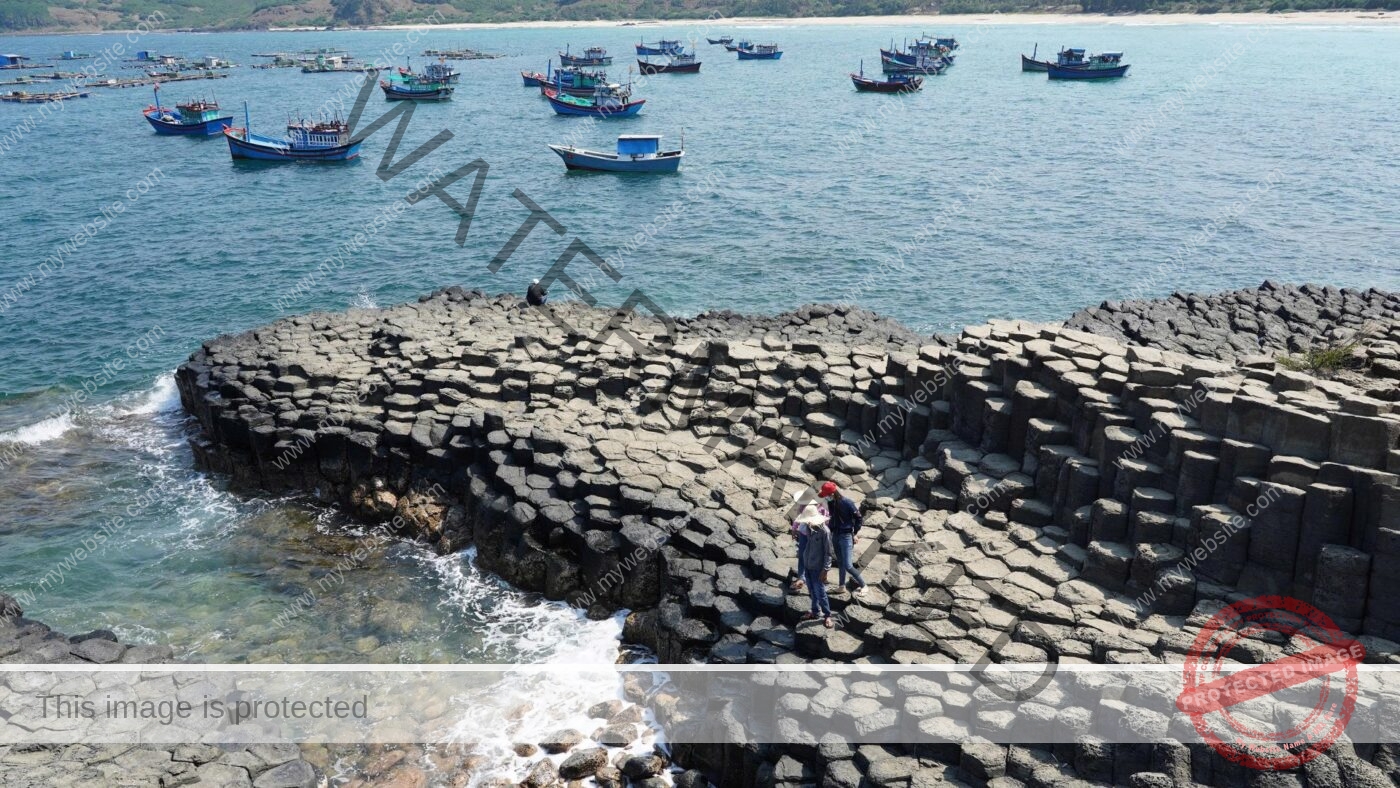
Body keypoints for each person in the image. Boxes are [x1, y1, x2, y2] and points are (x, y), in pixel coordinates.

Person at [818, 481, 868, 597]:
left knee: (848, 565)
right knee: (840, 563)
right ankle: (841, 586)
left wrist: (854, 533)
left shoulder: (847, 502)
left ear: (832, 494)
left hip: (846, 536)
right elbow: (833, 518)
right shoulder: (831, 503)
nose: (825, 497)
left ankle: (864, 585)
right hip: (835, 535)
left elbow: (858, 518)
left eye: (826, 495)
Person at [795, 502, 834, 628]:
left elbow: (828, 553)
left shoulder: (825, 532)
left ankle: (827, 615)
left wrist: (825, 570)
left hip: (818, 568)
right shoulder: (809, 528)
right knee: (811, 591)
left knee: (821, 593)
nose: (807, 523)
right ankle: (815, 611)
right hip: (808, 565)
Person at [788, 492, 830, 592]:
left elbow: (826, 520)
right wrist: (794, 529)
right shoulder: (803, 506)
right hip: (804, 534)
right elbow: (798, 518)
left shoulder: (822, 508)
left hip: (816, 535)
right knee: (802, 555)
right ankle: (801, 577)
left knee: (816, 556)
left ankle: (819, 577)